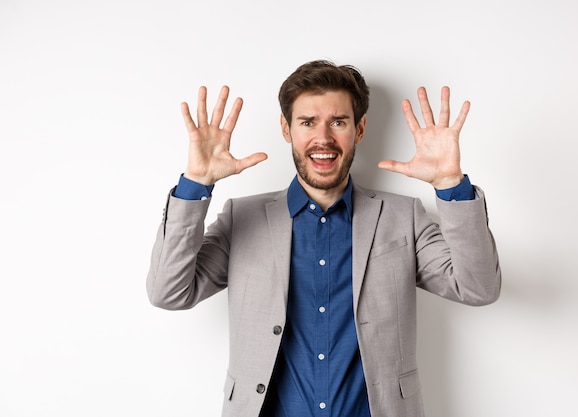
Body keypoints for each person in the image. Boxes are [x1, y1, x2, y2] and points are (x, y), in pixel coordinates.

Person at [147, 60, 501, 417]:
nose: (324, 138)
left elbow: (478, 287)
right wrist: (196, 184)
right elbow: (169, 292)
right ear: (286, 129)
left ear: (359, 129)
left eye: (338, 122)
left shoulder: (402, 217)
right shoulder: (242, 218)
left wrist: (451, 186)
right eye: (307, 122)